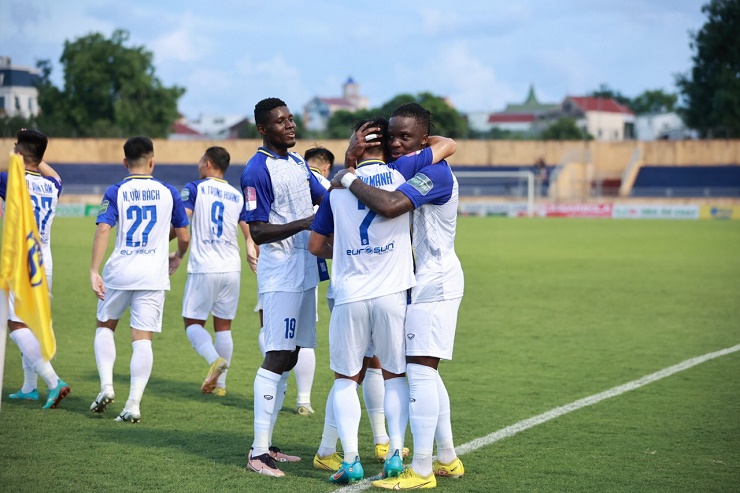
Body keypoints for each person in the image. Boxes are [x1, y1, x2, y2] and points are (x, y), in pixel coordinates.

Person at [333, 103, 463, 490]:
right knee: (426, 371)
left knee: (420, 372)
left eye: (405, 137)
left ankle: (421, 471)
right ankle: (447, 457)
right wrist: (350, 161)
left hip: (435, 280)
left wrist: (344, 178)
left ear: (423, 140)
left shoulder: (434, 172)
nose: (396, 143)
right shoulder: (405, 167)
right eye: (391, 136)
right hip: (416, 281)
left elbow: (389, 206)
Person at [309, 117, 415, 484]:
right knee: (395, 375)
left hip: (350, 294)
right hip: (392, 294)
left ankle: (351, 459)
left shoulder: (336, 189)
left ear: (355, 142)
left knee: (344, 379)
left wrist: (349, 253)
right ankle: (396, 454)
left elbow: (315, 245)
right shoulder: (402, 180)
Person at [240, 98, 326, 477]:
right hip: (280, 275)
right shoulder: (256, 170)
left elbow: (323, 198)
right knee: (277, 355)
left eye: (291, 119)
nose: (290, 126)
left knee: (290, 356)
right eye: (280, 122)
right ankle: (258, 453)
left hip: (305, 270)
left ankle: (269, 445)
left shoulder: (296, 164)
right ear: (263, 129)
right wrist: (306, 222)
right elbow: (257, 230)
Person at [89, 136, 190, 423]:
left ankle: (107, 386)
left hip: (119, 272)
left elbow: (103, 230)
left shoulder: (116, 190)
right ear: (152, 161)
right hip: (153, 275)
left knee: (105, 326)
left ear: (125, 162)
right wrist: (178, 256)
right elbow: (184, 236)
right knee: (142, 339)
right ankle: (133, 404)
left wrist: (94, 270)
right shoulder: (169, 191)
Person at [0, 129, 69, 409]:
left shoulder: (9, 180)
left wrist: (22, 153)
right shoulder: (53, 185)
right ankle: (29, 387)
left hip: (20, 262)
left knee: (14, 323)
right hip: (44, 262)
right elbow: (55, 175)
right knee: (28, 324)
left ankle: (54, 382)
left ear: (19, 154)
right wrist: (35, 153)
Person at [180, 146, 255, 397]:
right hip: (231, 268)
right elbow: (247, 230)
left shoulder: (194, 188)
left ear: (208, 163)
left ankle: (214, 359)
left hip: (204, 266)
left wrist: (175, 251)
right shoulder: (236, 195)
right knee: (223, 327)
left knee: (192, 322)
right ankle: (221, 386)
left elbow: (183, 221)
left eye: (201, 160)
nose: (199, 164)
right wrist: (248, 246)